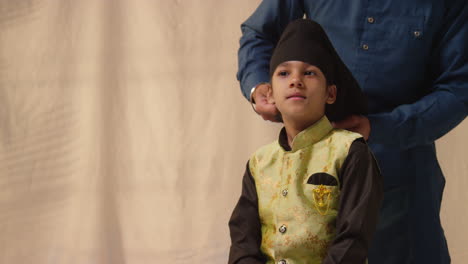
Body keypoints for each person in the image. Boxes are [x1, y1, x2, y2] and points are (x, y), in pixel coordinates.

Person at [236, 1, 468, 263]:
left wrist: (382, 127)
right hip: (305, 163)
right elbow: (260, 33)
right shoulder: (263, 166)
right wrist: (258, 88)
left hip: (400, 172)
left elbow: (459, 86)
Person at [228, 19, 383, 264]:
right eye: (284, 73)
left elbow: (353, 238)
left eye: (309, 73)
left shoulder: (351, 152)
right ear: (269, 93)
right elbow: (243, 239)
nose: (295, 80)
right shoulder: (259, 163)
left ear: (330, 93)